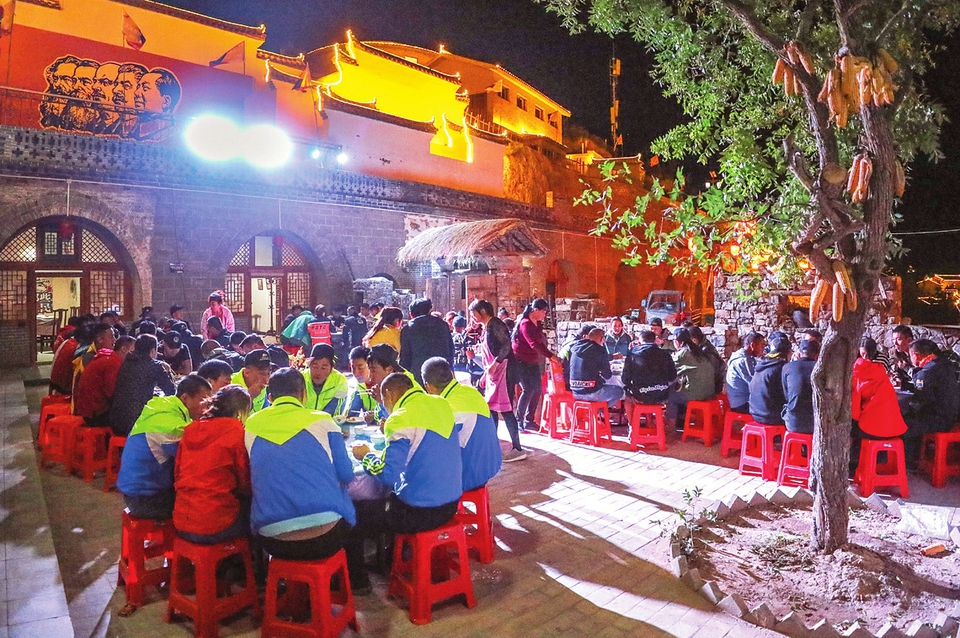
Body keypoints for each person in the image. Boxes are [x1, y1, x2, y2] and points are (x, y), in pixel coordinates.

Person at [355, 373, 462, 586]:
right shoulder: (440, 404)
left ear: (389, 395)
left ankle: (363, 578)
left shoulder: (400, 418)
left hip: (420, 512)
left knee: (359, 512)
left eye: (383, 400)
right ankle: (398, 554)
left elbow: (388, 475)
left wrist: (365, 456)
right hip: (452, 504)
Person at [245, 369, 356, 567]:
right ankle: (356, 578)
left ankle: (273, 580)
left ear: (270, 397)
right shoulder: (323, 420)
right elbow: (347, 474)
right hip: (326, 536)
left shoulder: (251, 425)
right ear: (304, 394)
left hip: (272, 540)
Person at [117, 374, 212, 519]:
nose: (207, 408)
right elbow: (195, 456)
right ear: (185, 398)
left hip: (137, 488)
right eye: (203, 401)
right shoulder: (169, 424)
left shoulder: (164, 407)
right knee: (203, 506)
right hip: (144, 497)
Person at [174, 385, 252, 544]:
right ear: (241, 412)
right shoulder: (237, 432)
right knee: (257, 513)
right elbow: (245, 482)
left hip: (182, 521)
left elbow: (177, 473)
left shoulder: (190, 429)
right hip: (216, 525)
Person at [423, 357, 501, 492]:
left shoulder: (443, 408)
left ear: (427, 386)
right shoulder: (471, 392)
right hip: (491, 466)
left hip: (469, 476)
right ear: (452, 374)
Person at [469, 299, 524, 462]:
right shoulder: (486, 327)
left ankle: (517, 448)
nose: (472, 317)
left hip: (504, 371)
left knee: (506, 410)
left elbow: (506, 346)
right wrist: (486, 374)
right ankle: (492, 444)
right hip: (493, 373)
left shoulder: (496, 324)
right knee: (491, 408)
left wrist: (495, 364)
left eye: (474, 313)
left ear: (482, 312)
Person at [851, 337, 908, 471]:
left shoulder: (857, 375)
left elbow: (855, 412)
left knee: (852, 429)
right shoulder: (880, 370)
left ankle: (858, 466)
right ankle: (880, 462)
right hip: (895, 428)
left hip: (871, 429)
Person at [900, 339, 960, 464]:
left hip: (940, 420)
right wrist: (905, 385)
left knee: (903, 424)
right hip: (952, 416)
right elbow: (930, 389)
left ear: (915, 354)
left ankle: (909, 463)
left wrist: (903, 411)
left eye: (910, 355)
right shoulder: (944, 364)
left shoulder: (927, 371)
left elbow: (919, 401)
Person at [109, 334, 176, 437]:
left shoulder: (127, 362)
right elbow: (171, 392)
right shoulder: (155, 366)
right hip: (136, 424)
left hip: (116, 422)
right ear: (153, 351)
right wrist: (168, 372)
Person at [512, 298, 559, 432]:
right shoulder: (525, 323)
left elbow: (539, 343)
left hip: (533, 360)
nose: (545, 314)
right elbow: (533, 344)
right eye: (543, 311)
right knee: (527, 389)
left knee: (537, 389)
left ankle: (529, 420)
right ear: (535, 310)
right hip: (520, 361)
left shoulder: (537, 324)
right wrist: (551, 355)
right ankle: (518, 420)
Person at [74, 335, 136, 428]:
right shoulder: (112, 363)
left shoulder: (110, 357)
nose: (136, 355)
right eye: (133, 351)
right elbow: (112, 393)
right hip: (95, 415)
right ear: (123, 349)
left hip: (89, 410)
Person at [667, 328, 718, 427]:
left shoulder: (682, 354)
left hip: (697, 395)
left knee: (670, 396)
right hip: (710, 393)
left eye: (674, 341)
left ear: (679, 342)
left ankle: (670, 426)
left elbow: (669, 369)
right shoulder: (699, 351)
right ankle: (683, 419)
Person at [621, 330, 677, 418]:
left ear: (639, 342)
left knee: (628, 397)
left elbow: (625, 379)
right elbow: (672, 376)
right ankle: (650, 422)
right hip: (662, 394)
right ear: (655, 341)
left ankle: (632, 424)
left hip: (641, 394)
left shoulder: (633, 355)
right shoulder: (665, 354)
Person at [399, 298, 454, 387]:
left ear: (411, 314)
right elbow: (451, 349)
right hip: (443, 372)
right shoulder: (442, 324)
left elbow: (405, 358)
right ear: (429, 310)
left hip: (419, 375)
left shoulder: (407, 329)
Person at [569, 327, 624, 408]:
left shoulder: (575, 348)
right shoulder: (599, 350)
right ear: (602, 338)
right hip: (591, 392)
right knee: (619, 391)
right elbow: (607, 375)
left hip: (575, 391)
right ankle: (600, 411)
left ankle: (596, 411)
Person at [748, 331, 792, 426]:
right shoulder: (782, 368)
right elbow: (787, 395)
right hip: (770, 416)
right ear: (788, 353)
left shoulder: (762, 364)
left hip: (754, 413)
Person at [782, 338, 819, 434]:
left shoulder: (787, 367)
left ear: (799, 355)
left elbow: (787, 395)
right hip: (816, 424)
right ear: (817, 356)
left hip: (793, 423)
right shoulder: (820, 369)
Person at [725, 332, 766, 414]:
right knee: (774, 408)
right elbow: (754, 383)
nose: (763, 349)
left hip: (744, 400)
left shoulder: (747, 357)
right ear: (753, 345)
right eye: (762, 345)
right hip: (742, 403)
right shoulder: (743, 360)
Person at [303, 344, 349, 414]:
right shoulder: (301, 378)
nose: (318, 372)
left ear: (331, 368)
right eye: (315, 367)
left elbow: (336, 411)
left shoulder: (339, 381)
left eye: (323, 368)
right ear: (309, 365)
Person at [345, 347, 383, 421]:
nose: (356, 373)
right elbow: (351, 413)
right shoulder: (359, 386)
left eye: (360, 368)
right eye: (353, 368)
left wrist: (376, 415)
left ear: (370, 365)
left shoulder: (384, 384)